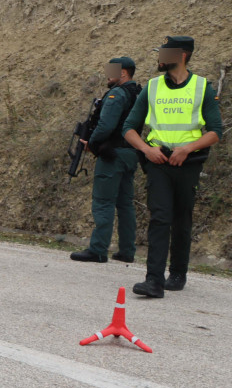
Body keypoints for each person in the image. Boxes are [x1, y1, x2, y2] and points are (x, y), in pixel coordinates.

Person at [122, 36, 223, 298]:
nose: (159, 58)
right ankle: (153, 281)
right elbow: (129, 129)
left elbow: (215, 132)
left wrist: (187, 149)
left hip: (188, 162)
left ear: (182, 55)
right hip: (158, 161)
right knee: (160, 217)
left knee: (182, 218)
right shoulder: (152, 87)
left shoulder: (202, 87)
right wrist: (146, 149)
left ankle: (177, 272)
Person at [70, 57, 142, 264]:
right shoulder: (137, 93)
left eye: (113, 71)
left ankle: (98, 249)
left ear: (124, 73)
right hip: (130, 153)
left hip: (113, 155)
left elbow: (105, 126)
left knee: (103, 202)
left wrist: (91, 143)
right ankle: (127, 250)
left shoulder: (117, 94)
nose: (108, 75)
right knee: (125, 203)